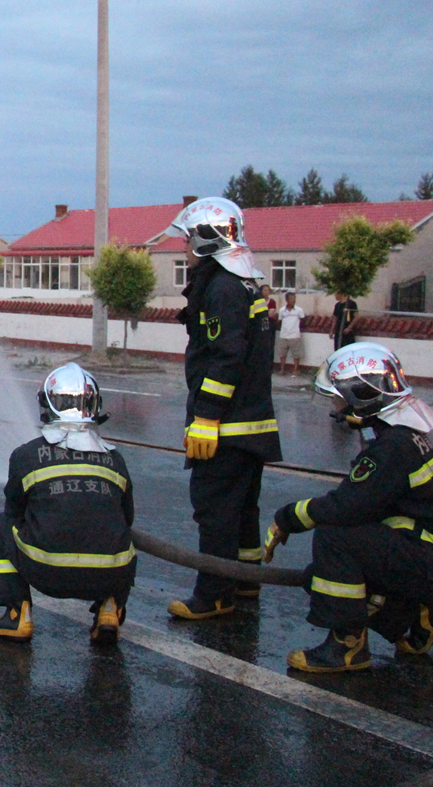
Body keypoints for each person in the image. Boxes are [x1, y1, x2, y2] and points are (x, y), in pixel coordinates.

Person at [264, 343, 433, 672]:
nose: (335, 407)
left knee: (335, 538)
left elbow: (347, 507)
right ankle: (419, 619)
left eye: (338, 396)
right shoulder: (398, 436)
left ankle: (347, 648)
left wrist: (288, 518)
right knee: (319, 578)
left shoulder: (392, 447)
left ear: (362, 396)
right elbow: (366, 503)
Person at [166, 197, 281, 620]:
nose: (182, 246)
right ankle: (245, 578)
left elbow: (226, 357)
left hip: (226, 426)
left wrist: (206, 417)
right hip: (252, 423)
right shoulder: (243, 281)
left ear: (205, 239)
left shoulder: (223, 287)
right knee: (243, 508)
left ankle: (214, 592)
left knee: (214, 510)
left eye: (187, 238)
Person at [0, 363, 136, 645]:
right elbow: (128, 518)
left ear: (48, 405)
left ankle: (17, 615)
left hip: (46, 572)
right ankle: (109, 610)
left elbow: (12, 513)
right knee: (118, 534)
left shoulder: (25, 455)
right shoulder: (116, 460)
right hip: (109, 577)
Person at [275, 292, 307, 376]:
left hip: (294, 335)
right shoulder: (282, 310)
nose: (293, 300)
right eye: (291, 299)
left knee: (296, 354)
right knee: (282, 354)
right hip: (284, 335)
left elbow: (302, 320)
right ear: (287, 300)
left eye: (294, 298)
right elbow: (279, 321)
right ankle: (282, 369)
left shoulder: (299, 310)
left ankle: (295, 369)